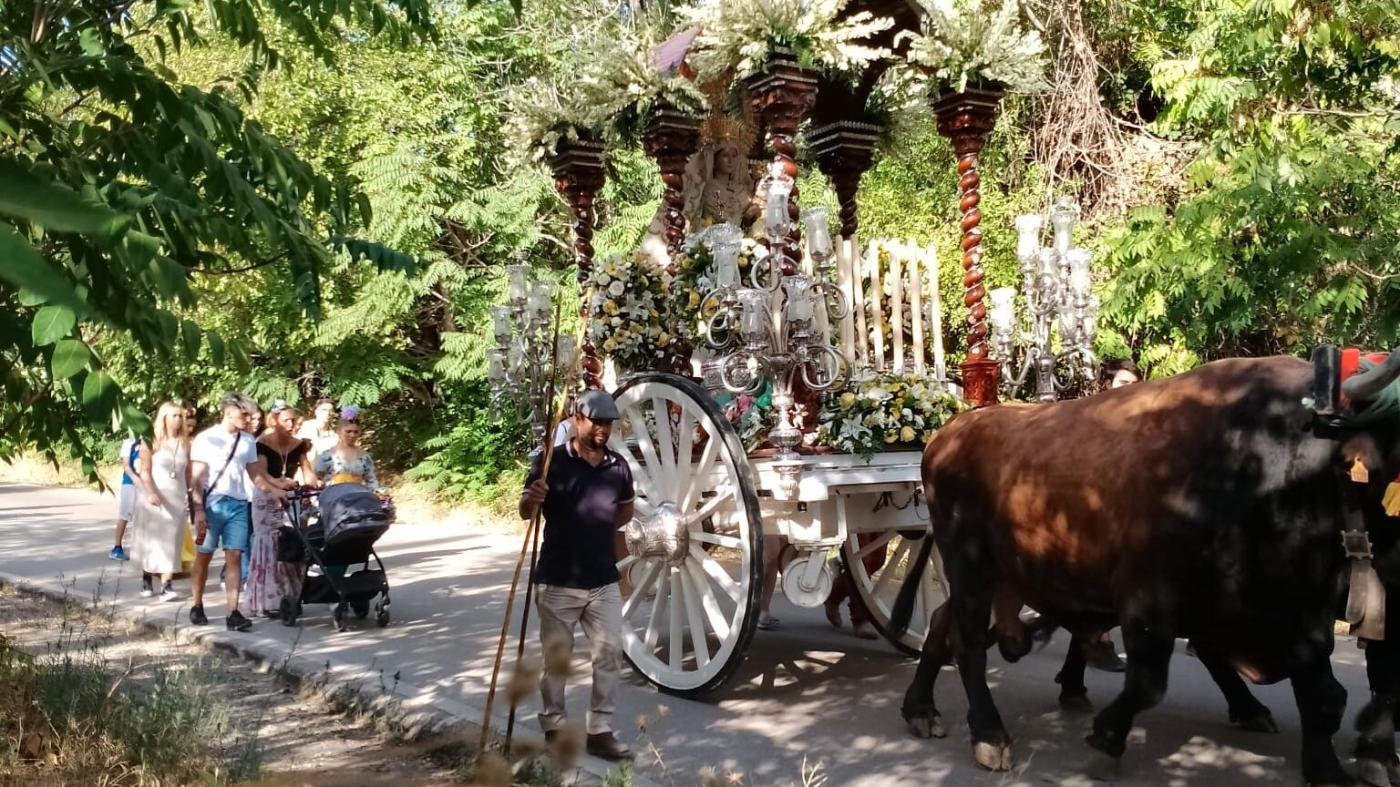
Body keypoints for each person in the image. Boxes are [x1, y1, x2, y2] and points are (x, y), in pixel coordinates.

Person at [521, 390, 634, 762]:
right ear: (577, 420)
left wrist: (598, 537)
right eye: (597, 421)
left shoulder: (617, 466)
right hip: (558, 578)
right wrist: (533, 498)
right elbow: (525, 511)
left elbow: (625, 512)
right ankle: (554, 724)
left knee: (610, 654)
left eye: (609, 423)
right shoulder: (550, 461)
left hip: (602, 579)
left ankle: (599, 731)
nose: (603, 429)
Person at [189, 392, 283, 632]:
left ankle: (233, 611)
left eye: (251, 414)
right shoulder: (206, 438)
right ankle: (197, 604)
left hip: (239, 504)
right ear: (228, 412)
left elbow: (255, 475)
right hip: (212, 505)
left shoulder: (248, 441)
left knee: (235, 557)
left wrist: (275, 492)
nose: (249, 418)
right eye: (244, 414)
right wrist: (199, 510)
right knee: (204, 555)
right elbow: (196, 478)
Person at [245, 401, 316, 618]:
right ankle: (267, 600)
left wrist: (315, 482)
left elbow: (307, 471)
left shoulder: (298, 444)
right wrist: (279, 485)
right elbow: (261, 475)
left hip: (289, 496)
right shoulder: (262, 444)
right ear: (275, 420)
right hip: (266, 497)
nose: (292, 424)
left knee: (291, 544)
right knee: (269, 545)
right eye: (287, 420)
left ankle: (291, 596)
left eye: (294, 420)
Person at [130, 402, 190, 601]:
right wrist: (151, 492)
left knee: (172, 540)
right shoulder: (151, 441)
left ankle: (166, 584)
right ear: (164, 418)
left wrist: (191, 493)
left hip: (176, 496)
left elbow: (188, 472)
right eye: (174, 416)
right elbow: (145, 471)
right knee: (151, 539)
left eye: (180, 416)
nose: (178, 420)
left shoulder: (185, 443)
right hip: (154, 495)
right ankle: (147, 577)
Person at [313, 406, 381, 491]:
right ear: (339, 431)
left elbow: (372, 481)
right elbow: (316, 480)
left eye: (355, 432)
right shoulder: (327, 456)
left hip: (357, 498)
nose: (352, 435)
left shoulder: (364, 457)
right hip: (334, 499)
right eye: (348, 431)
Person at [109, 436, 142, 561]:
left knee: (143, 517)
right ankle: (117, 548)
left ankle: (140, 549)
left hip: (145, 484)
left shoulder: (150, 440)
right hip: (130, 484)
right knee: (125, 515)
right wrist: (135, 479)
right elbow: (126, 465)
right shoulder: (129, 442)